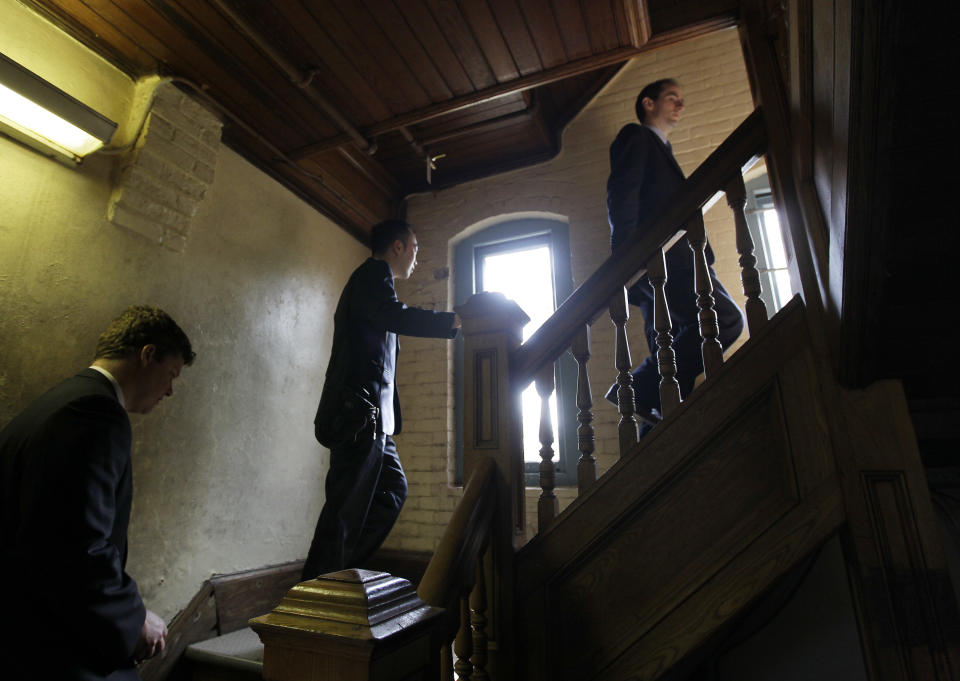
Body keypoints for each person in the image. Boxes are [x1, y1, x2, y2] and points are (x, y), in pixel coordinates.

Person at [0, 305, 195, 680]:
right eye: (170, 375)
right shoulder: (97, 415)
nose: (170, 390)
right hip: (49, 641)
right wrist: (135, 618)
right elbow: (79, 546)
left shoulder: (57, 403)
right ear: (147, 355)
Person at [303, 219, 460, 580]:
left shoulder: (377, 285)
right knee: (343, 511)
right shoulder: (373, 275)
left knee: (392, 491)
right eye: (415, 249)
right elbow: (394, 316)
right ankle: (313, 595)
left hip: (377, 423)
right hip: (358, 417)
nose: (417, 258)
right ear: (399, 246)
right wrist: (450, 320)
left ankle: (339, 574)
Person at [605, 78, 744, 427]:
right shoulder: (635, 137)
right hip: (666, 261)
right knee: (725, 319)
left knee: (669, 376)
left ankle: (652, 452)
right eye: (672, 98)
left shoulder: (662, 150)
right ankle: (634, 388)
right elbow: (623, 196)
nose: (680, 105)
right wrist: (626, 261)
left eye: (682, 99)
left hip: (667, 264)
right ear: (648, 103)